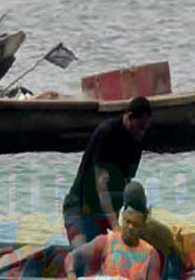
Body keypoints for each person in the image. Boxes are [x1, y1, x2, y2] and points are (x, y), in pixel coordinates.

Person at [62, 97, 152, 248]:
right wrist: (114, 224)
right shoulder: (106, 133)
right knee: (84, 252)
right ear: (129, 117)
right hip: (79, 206)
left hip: (105, 211)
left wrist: (128, 223)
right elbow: (100, 185)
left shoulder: (136, 143)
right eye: (140, 127)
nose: (142, 133)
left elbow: (126, 186)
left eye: (145, 129)